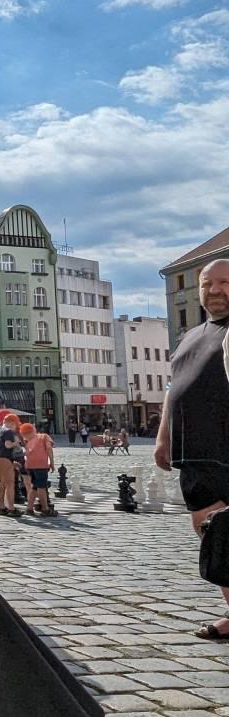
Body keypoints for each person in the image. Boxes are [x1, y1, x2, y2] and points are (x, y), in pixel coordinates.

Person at [154, 258, 229, 640]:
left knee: (226, 533)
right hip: (194, 452)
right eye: (206, 283)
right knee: (212, 533)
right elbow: (174, 390)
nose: (215, 290)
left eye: (224, 282)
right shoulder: (190, 336)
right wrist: (164, 435)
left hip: (225, 449)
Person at [21, 422, 56, 516]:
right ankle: (45, 509)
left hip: (30, 466)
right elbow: (49, 448)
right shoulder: (44, 436)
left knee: (34, 487)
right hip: (41, 466)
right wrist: (52, 462)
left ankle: (29, 508)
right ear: (34, 429)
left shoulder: (28, 442)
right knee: (41, 487)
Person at [0, 413, 21, 516]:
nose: (16, 427)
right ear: (12, 423)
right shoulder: (8, 431)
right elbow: (7, 445)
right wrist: (16, 443)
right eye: (16, 425)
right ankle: (11, 509)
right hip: (4, 459)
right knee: (10, 484)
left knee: (1, 484)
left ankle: (1, 507)